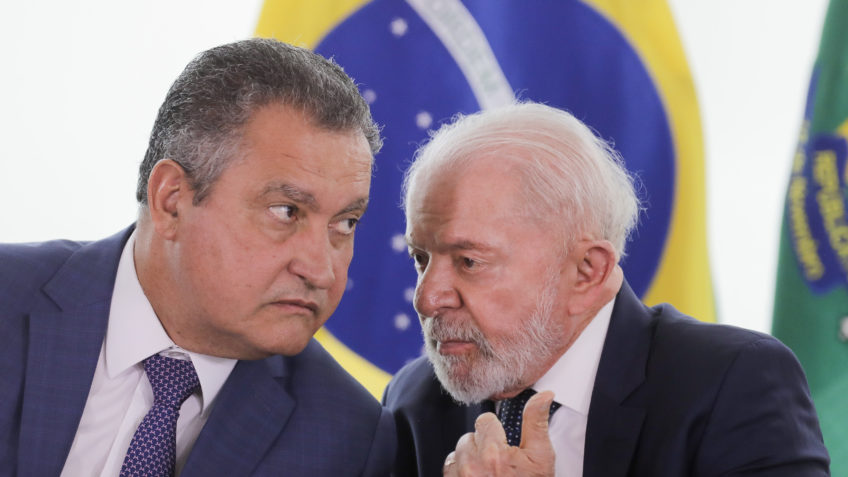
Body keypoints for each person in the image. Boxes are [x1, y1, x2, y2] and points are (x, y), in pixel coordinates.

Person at [0, 38, 395, 476]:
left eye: (345, 223)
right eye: (286, 211)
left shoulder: (348, 439)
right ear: (171, 201)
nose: (321, 271)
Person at [383, 102, 829, 476]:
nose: (427, 298)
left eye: (469, 262)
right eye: (421, 259)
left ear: (587, 271)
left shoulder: (731, 384)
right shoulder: (413, 402)